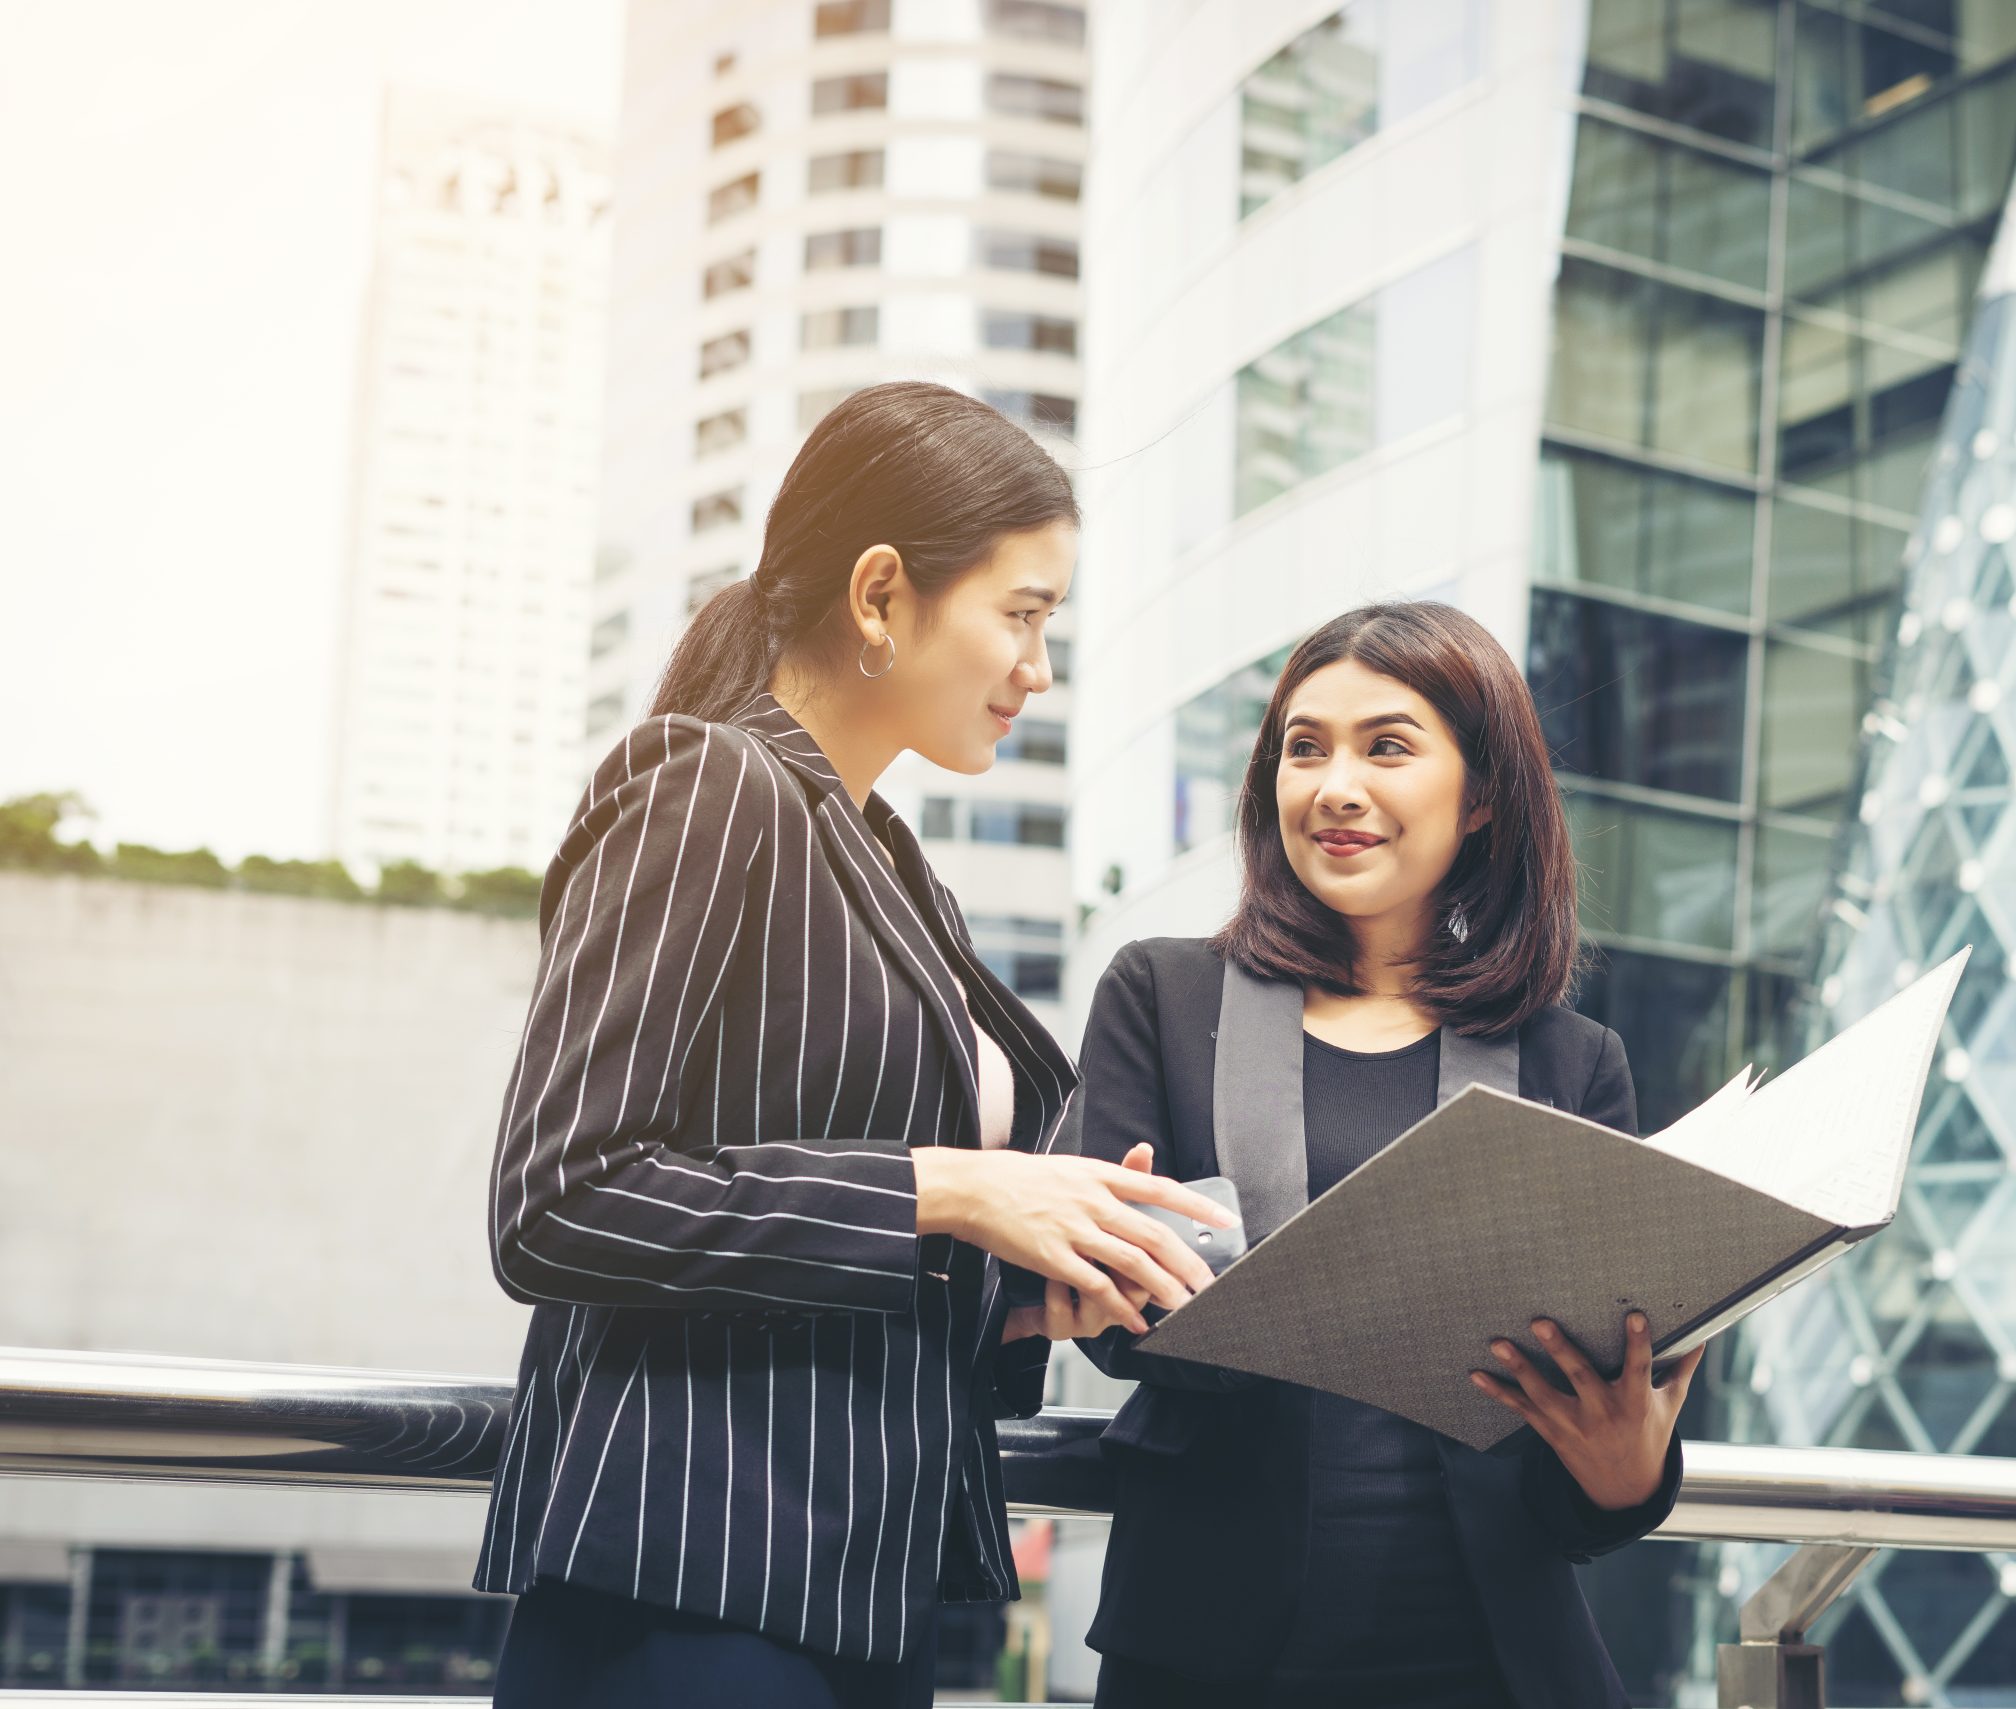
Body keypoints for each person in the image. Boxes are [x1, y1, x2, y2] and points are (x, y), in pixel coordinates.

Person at [472, 381, 1236, 1709]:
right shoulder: (707, 782)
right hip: (691, 1590)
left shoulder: (892, 866)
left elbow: (853, 1242)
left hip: (859, 1600)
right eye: (1023, 614)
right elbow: (560, 1202)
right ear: (882, 595)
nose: (1038, 671)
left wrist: (1026, 1281)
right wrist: (953, 1188)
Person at [1074, 602, 1701, 1709]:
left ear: (1484, 795)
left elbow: (1581, 1452)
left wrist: (1627, 1475)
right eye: (1303, 747)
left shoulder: (1572, 1060)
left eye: (1388, 746)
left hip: (1492, 1659)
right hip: (1208, 1647)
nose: (1335, 784)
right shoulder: (1163, 997)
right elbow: (1110, 1318)